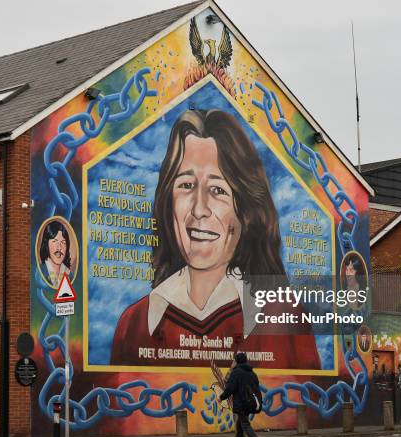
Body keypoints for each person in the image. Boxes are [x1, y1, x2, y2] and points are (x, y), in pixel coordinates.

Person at [110, 109, 320, 369]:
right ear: (168, 202)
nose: (199, 209)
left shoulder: (284, 320)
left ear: (245, 210)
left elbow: (309, 405)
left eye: (218, 190)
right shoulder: (135, 324)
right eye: (186, 185)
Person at [219, 352, 266, 437]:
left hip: (241, 403)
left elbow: (230, 388)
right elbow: (257, 388)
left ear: (237, 361)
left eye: (234, 361)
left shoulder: (236, 372)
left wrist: (221, 397)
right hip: (251, 403)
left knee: (244, 424)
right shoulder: (252, 373)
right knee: (240, 426)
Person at [39, 220, 72, 289]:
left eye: (63, 242)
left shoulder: (70, 275)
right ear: (46, 245)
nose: (59, 247)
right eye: (54, 241)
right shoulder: (39, 272)